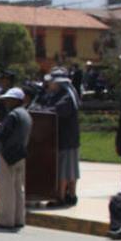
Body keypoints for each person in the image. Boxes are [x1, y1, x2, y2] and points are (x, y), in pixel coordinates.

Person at [33, 72, 81, 205]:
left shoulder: (66, 96)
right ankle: (69, 195)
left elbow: (56, 110)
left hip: (67, 139)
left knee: (65, 170)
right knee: (69, 169)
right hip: (61, 138)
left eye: (51, 82)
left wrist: (43, 110)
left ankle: (61, 197)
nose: (48, 84)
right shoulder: (57, 95)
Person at [0, 88, 33, 230]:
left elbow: (2, 134)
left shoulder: (12, 115)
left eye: (9, 99)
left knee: (6, 189)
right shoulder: (26, 114)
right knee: (18, 189)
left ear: (16, 101)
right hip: (20, 153)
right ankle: (19, 219)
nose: (7, 102)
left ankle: (6, 220)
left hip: (7, 154)